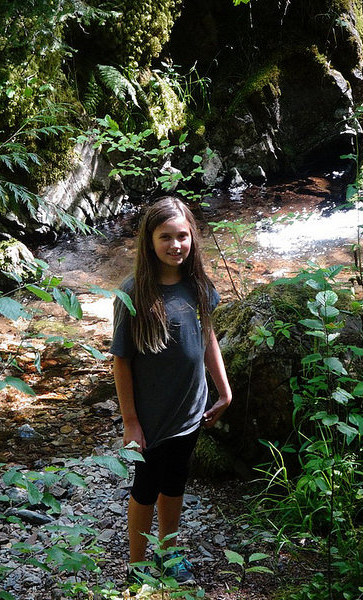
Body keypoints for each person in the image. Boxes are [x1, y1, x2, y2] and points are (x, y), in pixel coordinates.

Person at [110, 196, 232, 587]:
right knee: (145, 488)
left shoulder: (197, 286)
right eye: (166, 237)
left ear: (193, 237)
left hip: (191, 407)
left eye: (182, 236)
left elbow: (208, 336)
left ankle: (169, 550)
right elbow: (122, 361)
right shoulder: (134, 294)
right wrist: (131, 422)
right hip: (152, 415)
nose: (175, 245)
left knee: (176, 481)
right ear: (149, 241)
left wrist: (224, 392)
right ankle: (136, 564)